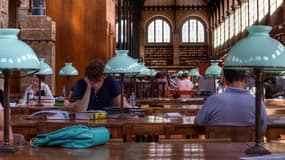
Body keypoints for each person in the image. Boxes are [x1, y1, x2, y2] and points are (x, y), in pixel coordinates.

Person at [194, 69, 268, 133]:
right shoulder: (257, 102)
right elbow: (263, 129)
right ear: (245, 79)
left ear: (225, 80)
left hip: (217, 149)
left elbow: (197, 123)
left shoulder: (213, 100)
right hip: (248, 148)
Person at [66, 59, 131, 112]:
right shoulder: (80, 83)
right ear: (88, 78)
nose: (96, 85)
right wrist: (89, 87)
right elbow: (81, 111)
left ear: (104, 77)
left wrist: (133, 110)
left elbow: (121, 105)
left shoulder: (111, 81)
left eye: (99, 81)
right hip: (86, 122)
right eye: (93, 81)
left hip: (107, 120)